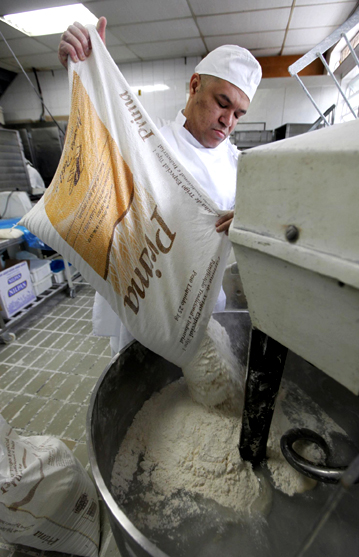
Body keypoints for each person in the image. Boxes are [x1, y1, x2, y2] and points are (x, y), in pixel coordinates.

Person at [58, 17, 262, 355]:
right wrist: (87, 70)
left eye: (239, 113)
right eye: (222, 103)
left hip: (201, 308)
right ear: (195, 85)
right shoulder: (149, 144)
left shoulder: (241, 167)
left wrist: (251, 223)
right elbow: (93, 158)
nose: (228, 121)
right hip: (142, 304)